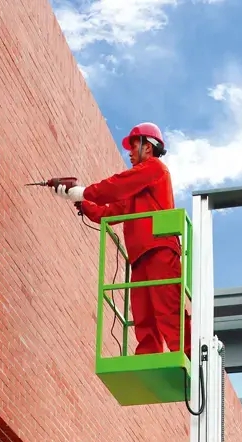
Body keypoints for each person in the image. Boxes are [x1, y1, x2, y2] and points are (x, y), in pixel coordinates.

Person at [53, 122, 191, 357]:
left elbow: (117, 186)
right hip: (139, 257)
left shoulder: (155, 168)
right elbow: (108, 213)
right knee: (143, 313)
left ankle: (190, 356)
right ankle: (149, 356)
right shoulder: (137, 191)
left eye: (134, 145)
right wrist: (81, 202)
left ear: (148, 147)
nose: (129, 151)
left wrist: (82, 191)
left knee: (168, 307)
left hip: (160, 250)